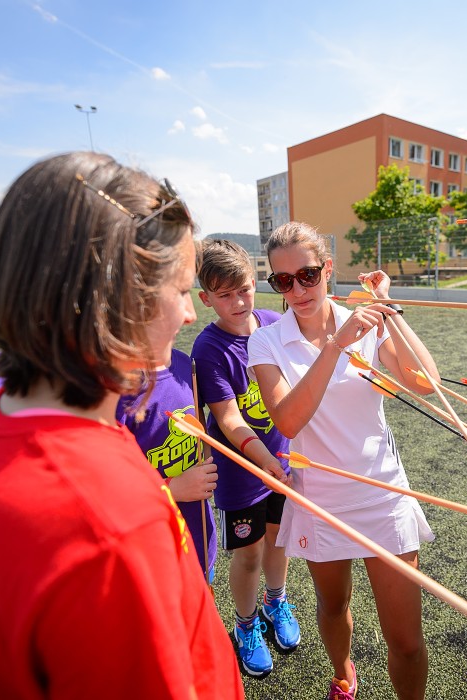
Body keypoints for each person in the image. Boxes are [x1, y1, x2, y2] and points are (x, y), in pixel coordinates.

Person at [0, 152, 243, 699]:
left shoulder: (1, 420)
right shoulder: (110, 523)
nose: (189, 314)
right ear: (118, 299)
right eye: (182, 290)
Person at [248, 221, 438, 700]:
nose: (298, 290)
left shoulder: (367, 322)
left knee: (407, 640)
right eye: (283, 281)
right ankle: (342, 674)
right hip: (321, 500)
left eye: (307, 275)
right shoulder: (266, 342)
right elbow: (288, 420)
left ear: (327, 269)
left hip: (383, 493)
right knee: (333, 607)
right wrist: (335, 347)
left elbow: (425, 383)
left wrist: (388, 310)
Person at [191, 239, 298, 678]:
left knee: (279, 540)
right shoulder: (208, 348)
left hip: (282, 463)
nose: (238, 302)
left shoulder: (272, 324)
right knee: (249, 553)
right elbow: (230, 419)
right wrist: (263, 460)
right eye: (225, 295)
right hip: (242, 475)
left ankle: (276, 601)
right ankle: (246, 623)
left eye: (245, 290)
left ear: (256, 284)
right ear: (206, 299)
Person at [117, 347, 219, 577]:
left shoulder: (184, 363)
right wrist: (172, 488)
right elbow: (106, 490)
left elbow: (199, 426)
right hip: (150, 553)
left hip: (198, 537)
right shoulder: (115, 387)